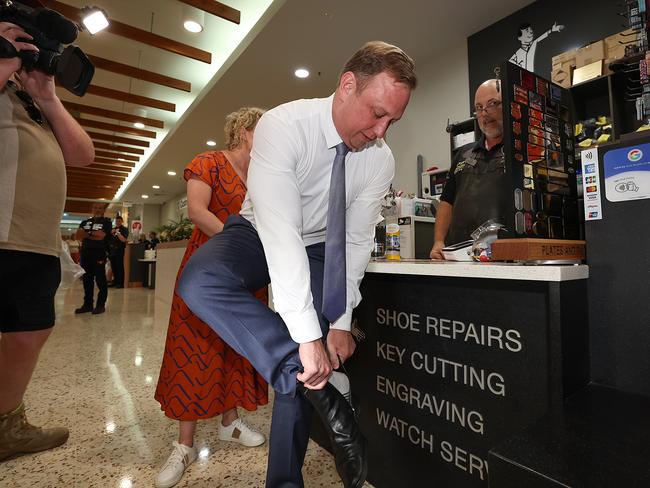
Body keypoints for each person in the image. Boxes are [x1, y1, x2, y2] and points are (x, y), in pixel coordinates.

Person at [177, 41, 416, 488]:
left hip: (323, 245)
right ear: (348, 85)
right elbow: (281, 230)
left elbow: (356, 239)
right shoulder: (284, 125)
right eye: (376, 113)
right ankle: (311, 379)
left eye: (392, 121)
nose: (381, 131)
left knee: (306, 362)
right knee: (200, 281)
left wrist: (340, 322)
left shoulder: (379, 159)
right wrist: (307, 339)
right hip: (259, 231)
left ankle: (283, 480)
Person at [154, 107, 268, 488]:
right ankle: (184, 444)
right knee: (194, 348)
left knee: (237, 345)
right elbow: (199, 213)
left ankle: (229, 423)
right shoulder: (209, 162)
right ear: (244, 130)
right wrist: (237, 243)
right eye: (263, 130)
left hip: (248, 272)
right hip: (209, 266)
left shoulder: (264, 175)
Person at [0, 21, 94, 460]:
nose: (25, 49)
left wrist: (48, 98)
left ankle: (6, 424)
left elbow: (82, 155)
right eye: (13, 36)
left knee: (30, 330)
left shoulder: (30, 100)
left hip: (35, 241)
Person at [430, 79, 506, 259]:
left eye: (492, 104)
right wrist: (439, 240)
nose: (485, 113)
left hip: (503, 256)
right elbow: (446, 201)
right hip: (460, 256)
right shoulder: (463, 154)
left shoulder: (519, 152)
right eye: (479, 108)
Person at [75, 203, 112, 315]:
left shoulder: (106, 222)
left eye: (100, 208)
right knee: (87, 279)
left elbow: (101, 236)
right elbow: (78, 236)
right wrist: (92, 235)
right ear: (92, 209)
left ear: (103, 210)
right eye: (95, 208)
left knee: (100, 279)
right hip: (86, 253)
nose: (97, 210)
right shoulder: (85, 222)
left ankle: (101, 305)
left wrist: (87, 234)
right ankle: (88, 305)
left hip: (99, 253)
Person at [107, 215, 128, 288]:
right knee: (113, 267)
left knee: (119, 266)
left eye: (119, 221)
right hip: (112, 251)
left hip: (119, 250)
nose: (118, 222)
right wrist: (110, 232)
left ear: (122, 221)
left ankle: (120, 283)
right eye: (116, 221)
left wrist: (118, 233)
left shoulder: (124, 229)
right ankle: (115, 281)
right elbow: (108, 240)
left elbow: (123, 240)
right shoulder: (113, 229)